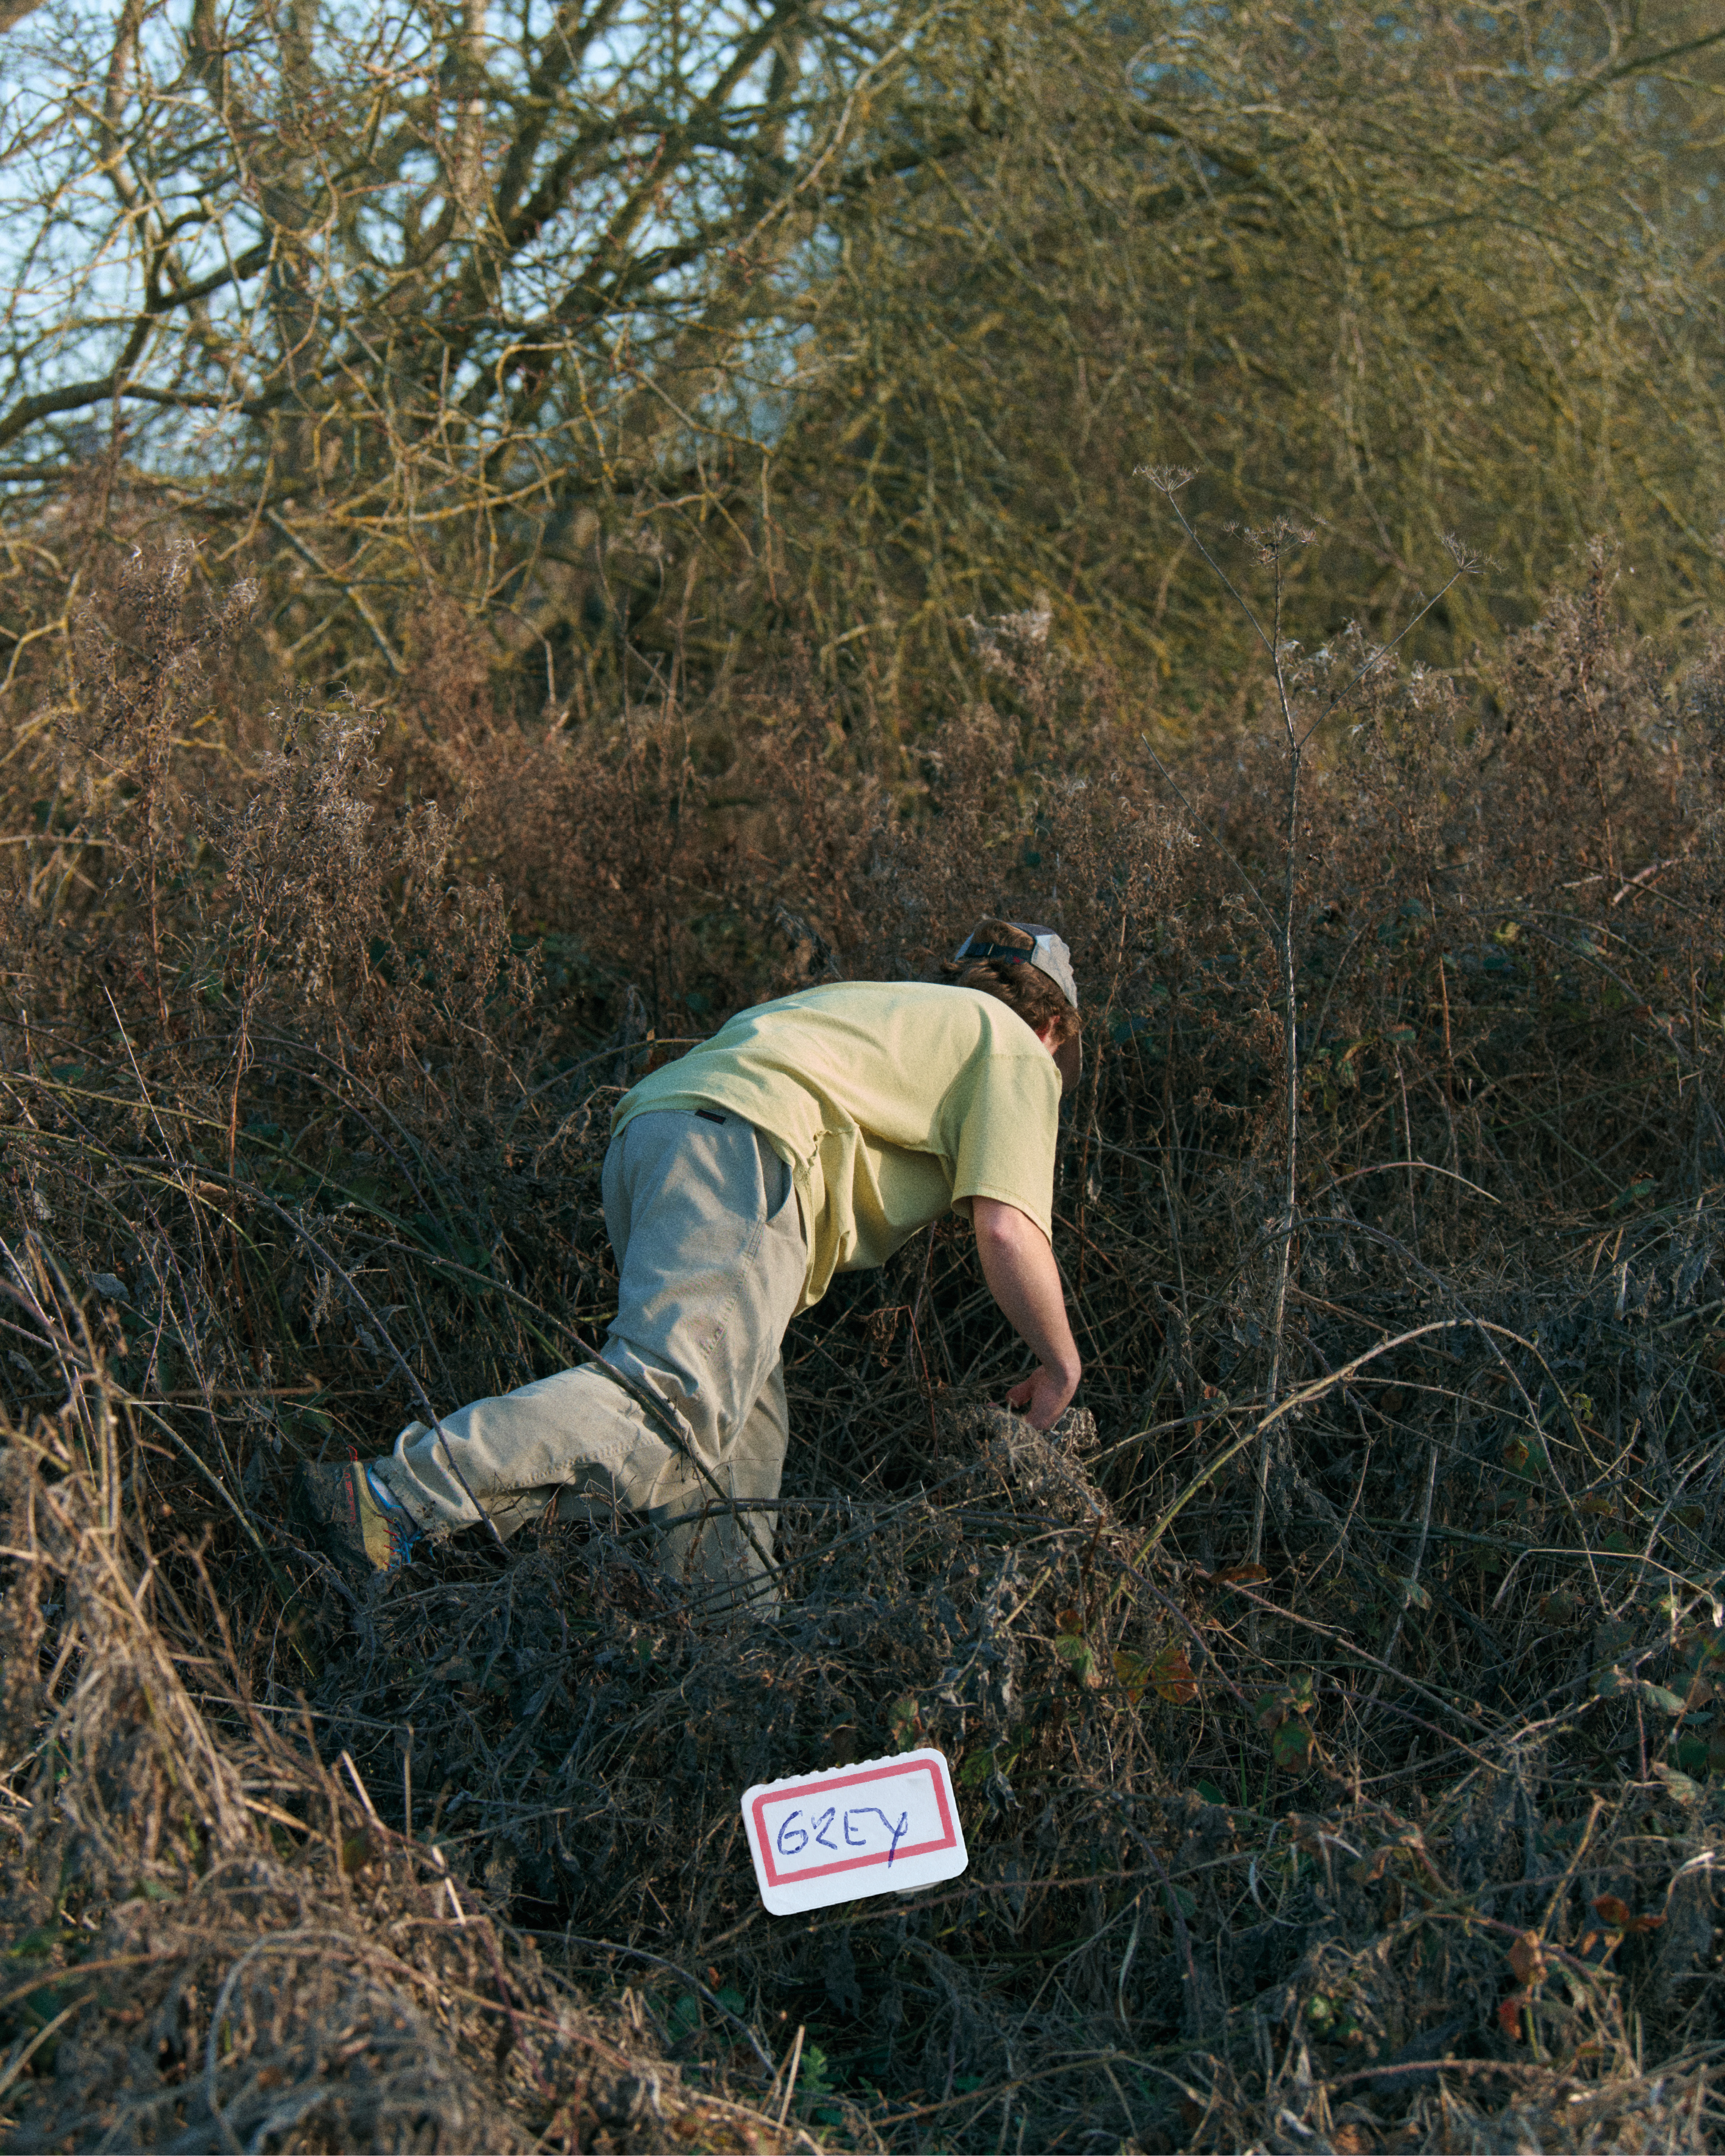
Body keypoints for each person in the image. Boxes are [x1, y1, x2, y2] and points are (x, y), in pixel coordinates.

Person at [298, 918, 1083, 1608]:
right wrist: (1058, 1366)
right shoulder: (1014, 1048)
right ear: (1054, 1025)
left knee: (731, 1452)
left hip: (661, 1138)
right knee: (670, 1411)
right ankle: (392, 1495)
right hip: (749, 1156)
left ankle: (733, 1659)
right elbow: (1008, 1231)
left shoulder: (906, 1013)